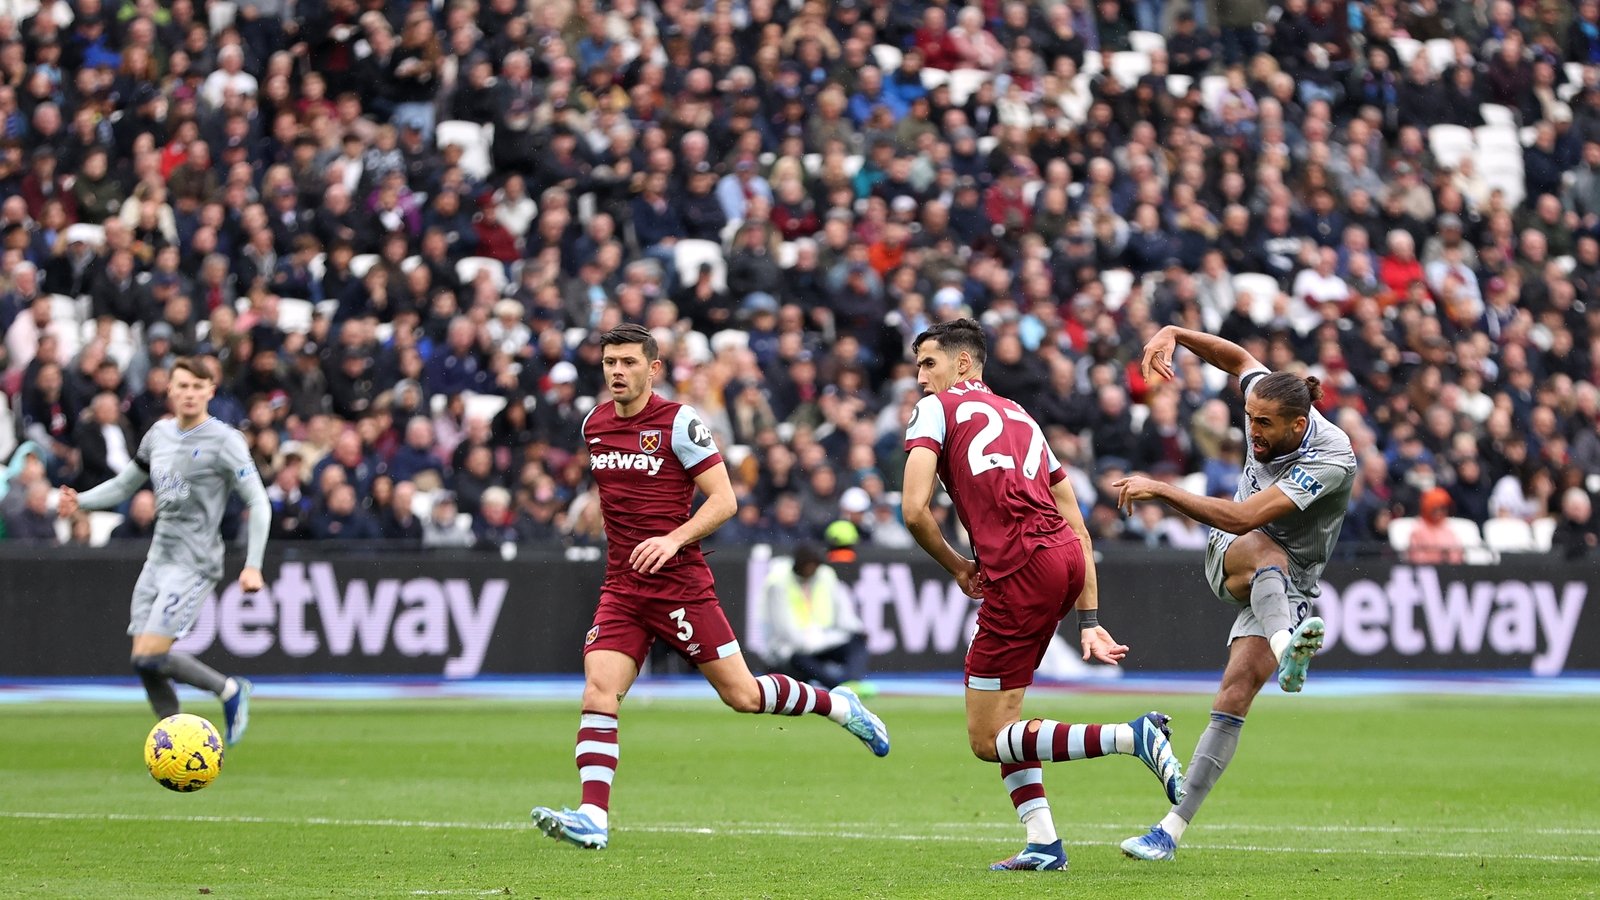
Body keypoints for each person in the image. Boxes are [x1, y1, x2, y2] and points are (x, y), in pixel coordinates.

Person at [531, 324, 890, 852]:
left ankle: (837, 706)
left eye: (629, 362)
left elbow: (724, 501)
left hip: (679, 584)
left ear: (654, 369)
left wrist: (672, 540)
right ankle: (593, 816)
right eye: (610, 362)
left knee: (743, 695)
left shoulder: (679, 422)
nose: (617, 372)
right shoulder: (595, 424)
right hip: (623, 588)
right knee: (598, 689)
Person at [899, 318, 1183, 872]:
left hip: (1020, 567)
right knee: (1011, 720)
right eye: (916, 368)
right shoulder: (1023, 417)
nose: (920, 378)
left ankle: (1132, 736)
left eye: (928, 364)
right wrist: (1089, 618)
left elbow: (912, 509)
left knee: (987, 738)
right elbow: (1076, 522)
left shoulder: (938, 409)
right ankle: (1043, 842)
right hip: (1062, 559)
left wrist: (958, 566)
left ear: (963, 364)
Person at [1111, 325, 1355, 862]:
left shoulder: (1331, 458)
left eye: (1264, 425)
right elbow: (1239, 356)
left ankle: (1167, 833)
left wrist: (1160, 488)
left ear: (1300, 423)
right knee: (1265, 551)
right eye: (1249, 418)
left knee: (1232, 699)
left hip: (1288, 581)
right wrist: (1173, 332)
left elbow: (1247, 511)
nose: (1253, 431)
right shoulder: (1266, 399)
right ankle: (1287, 645)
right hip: (1234, 553)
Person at [56, 358, 268, 745]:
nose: (189, 393)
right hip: (158, 559)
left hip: (196, 562)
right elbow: (124, 486)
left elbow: (260, 502)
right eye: (182, 386)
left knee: (153, 653)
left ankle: (229, 690)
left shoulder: (225, 441)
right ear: (169, 390)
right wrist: (81, 501)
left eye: (197, 387)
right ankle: (175, 740)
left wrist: (253, 565)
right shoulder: (158, 435)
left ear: (210, 392)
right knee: (143, 661)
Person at [761, 543, 869, 690]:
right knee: (801, 659)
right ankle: (840, 687)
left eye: (814, 566)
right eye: (807, 566)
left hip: (823, 641)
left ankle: (852, 682)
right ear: (798, 564)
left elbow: (842, 611)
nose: (810, 570)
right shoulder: (778, 582)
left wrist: (857, 629)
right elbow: (784, 630)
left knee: (857, 643)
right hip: (792, 649)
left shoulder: (826, 575)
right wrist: (811, 643)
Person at [1406, 487, 1464, 564]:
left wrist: (1449, 557)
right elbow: (1416, 557)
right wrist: (1437, 558)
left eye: (1442, 508)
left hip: (1449, 570)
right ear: (1427, 508)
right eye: (1435, 509)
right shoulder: (1418, 529)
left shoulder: (1447, 528)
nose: (1439, 512)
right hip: (1427, 571)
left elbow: (1457, 554)